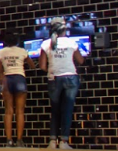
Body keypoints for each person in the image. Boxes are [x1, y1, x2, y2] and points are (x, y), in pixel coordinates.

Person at [40, 18, 84, 150]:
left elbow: (42, 66)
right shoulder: (71, 43)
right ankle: (64, 142)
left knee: (55, 110)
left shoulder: (45, 44)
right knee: (67, 110)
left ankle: (52, 142)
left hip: (53, 78)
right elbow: (80, 60)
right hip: (70, 78)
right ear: (65, 28)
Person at [0, 30, 34, 147]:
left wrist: (2, 78)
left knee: (8, 111)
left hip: (7, 79)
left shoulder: (1, 52)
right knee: (20, 111)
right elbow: (32, 65)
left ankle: (9, 141)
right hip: (19, 79)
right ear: (17, 41)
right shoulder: (22, 51)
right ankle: (19, 140)